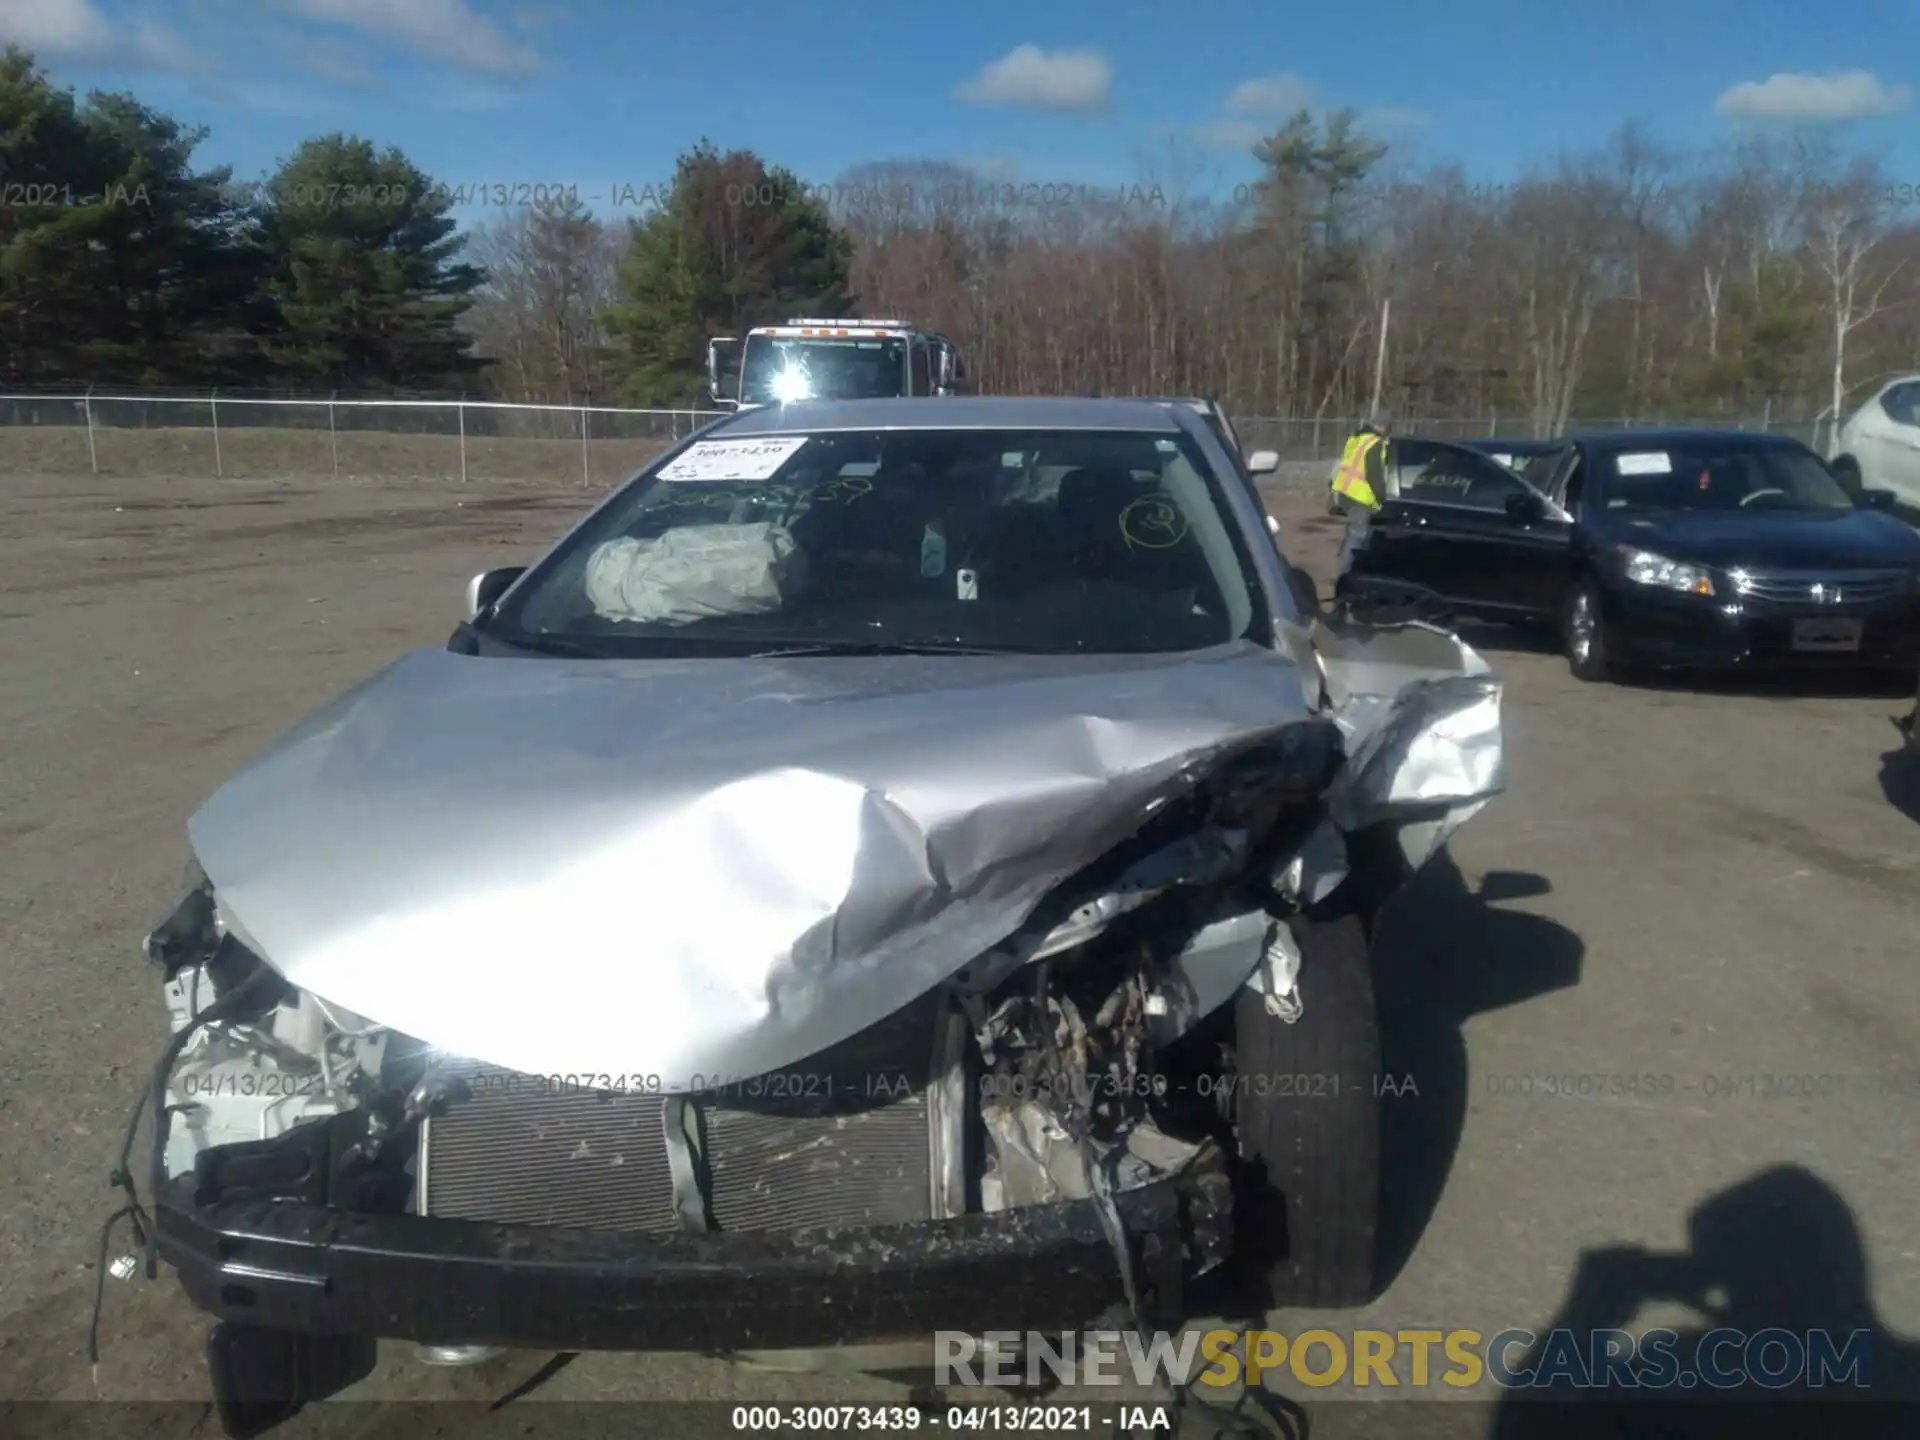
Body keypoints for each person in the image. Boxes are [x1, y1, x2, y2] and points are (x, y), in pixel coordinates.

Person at [1328, 412, 1391, 516]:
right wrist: (1381, 497)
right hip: (1360, 499)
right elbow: (1374, 473)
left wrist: (1332, 486)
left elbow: (1342, 462)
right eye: (1388, 428)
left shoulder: (1356, 438)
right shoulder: (1375, 444)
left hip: (1342, 493)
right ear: (1382, 427)